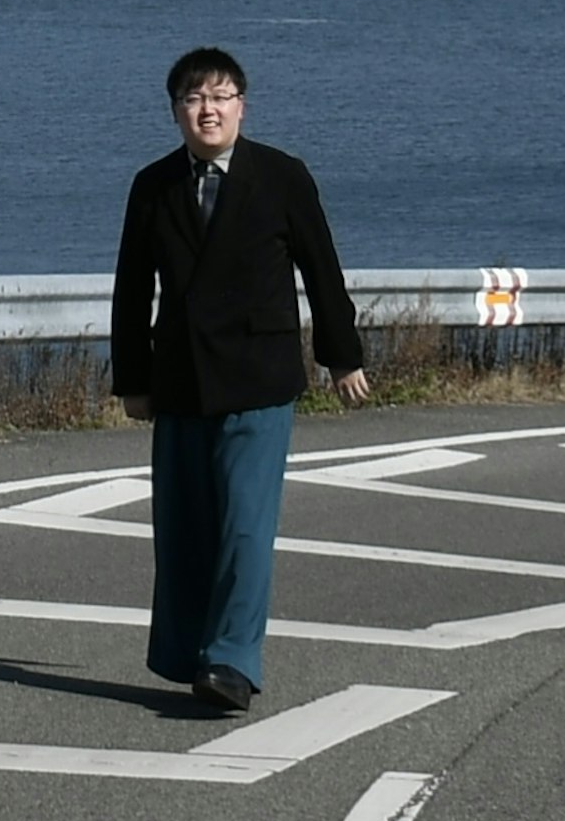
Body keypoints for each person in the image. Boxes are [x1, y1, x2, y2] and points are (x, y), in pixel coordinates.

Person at [110, 47, 370, 712]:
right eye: (194, 99)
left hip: (258, 379)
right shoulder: (154, 184)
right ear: (176, 112)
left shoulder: (282, 176)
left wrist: (342, 356)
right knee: (184, 527)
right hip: (180, 380)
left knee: (246, 528)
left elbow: (321, 268)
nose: (208, 110)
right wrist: (133, 380)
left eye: (221, 97)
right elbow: (133, 289)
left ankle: (231, 661)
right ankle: (185, 655)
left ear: (241, 105)